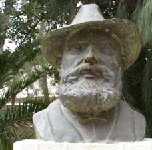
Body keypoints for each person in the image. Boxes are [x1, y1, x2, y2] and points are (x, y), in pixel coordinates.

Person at [33, 3, 145, 143]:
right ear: (61, 62)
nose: (91, 56)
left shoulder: (135, 122)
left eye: (104, 49)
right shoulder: (45, 121)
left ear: (119, 64)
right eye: (78, 48)